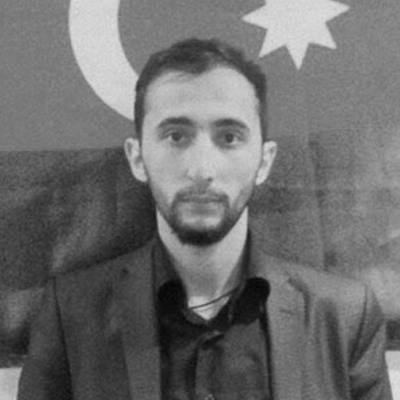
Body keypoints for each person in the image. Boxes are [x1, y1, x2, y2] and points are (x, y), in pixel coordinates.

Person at [18, 38, 392, 400]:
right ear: (137, 157)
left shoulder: (345, 317)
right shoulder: (71, 316)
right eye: (175, 136)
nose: (201, 169)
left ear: (264, 161)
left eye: (229, 137)